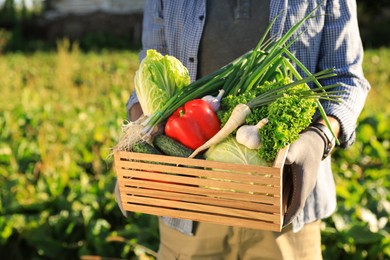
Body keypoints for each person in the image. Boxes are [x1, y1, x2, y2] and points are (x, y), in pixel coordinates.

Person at [117, 0, 371, 259]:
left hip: (285, 209)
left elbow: (346, 79)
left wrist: (319, 138)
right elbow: (151, 68)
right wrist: (140, 138)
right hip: (188, 208)